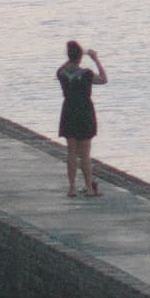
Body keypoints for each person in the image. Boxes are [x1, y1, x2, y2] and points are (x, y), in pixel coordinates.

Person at [54, 41, 107, 197]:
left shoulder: (61, 73)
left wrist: (75, 55)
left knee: (71, 152)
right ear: (80, 57)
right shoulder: (86, 73)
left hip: (68, 111)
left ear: (68, 55)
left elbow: (64, 66)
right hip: (84, 111)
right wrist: (95, 59)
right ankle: (89, 188)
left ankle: (71, 187)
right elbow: (104, 79)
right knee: (85, 153)